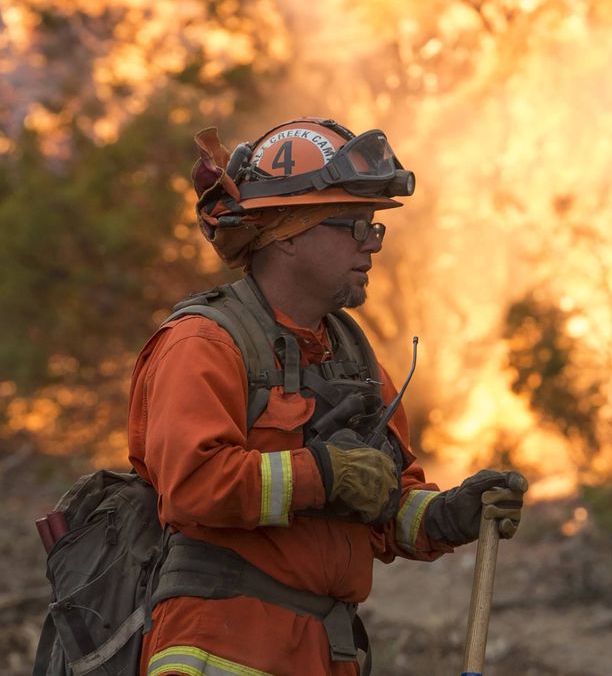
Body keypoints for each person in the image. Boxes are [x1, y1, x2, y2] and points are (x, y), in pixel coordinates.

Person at [127, 117, 526, 676]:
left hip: (325, 650)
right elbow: (192, 488)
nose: (371, 244)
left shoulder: (353, 359)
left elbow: (385, 505)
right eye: (353, 225)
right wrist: (324, 474)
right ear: (288, 233)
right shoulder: (204, 345)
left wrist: (448, 515)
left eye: (374, 227)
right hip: (220, 647)